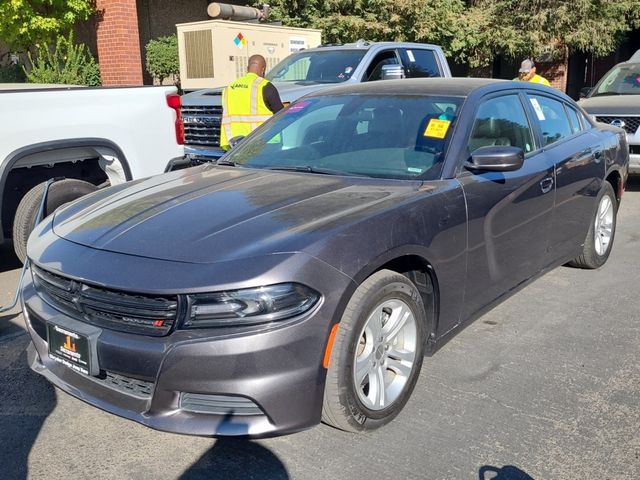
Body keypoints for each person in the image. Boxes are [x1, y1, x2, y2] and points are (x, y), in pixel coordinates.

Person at [219, 54, 284, 150]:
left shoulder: (229, 88)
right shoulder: (265, 86)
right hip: (262, 144)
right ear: (263, 70)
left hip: (232, 145)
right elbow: (281, 114)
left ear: (247, 68)